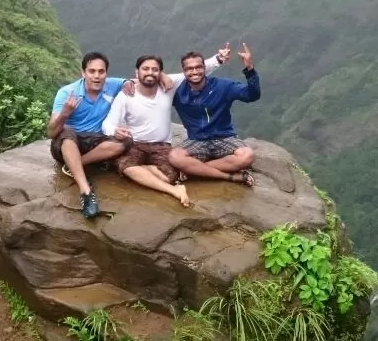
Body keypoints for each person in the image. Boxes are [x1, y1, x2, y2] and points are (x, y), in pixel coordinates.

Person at [102, 44, 231, 208]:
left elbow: (195, 71)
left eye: (154, 70)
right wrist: (115, 130)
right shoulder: (126, 94)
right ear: (137, 72)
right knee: (126, 166)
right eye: (145, 69)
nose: (150, 73)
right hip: (134, 144)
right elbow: (108, 123)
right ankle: (174, 191)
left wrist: (218, 59)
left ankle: (147, 172)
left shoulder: (168, 86)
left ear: (161, 73)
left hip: (162, 145)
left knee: (170, 174)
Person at [47, 51, 151, 218]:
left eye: (101, 72)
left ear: (106, 73)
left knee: (124, 141)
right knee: (67, 134)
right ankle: (86, 192)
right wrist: (65, 113)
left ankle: (73, 165)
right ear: (83, 73)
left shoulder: (112, 85)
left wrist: (128, 82)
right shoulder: (67, 93)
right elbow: (51, 132)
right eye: (91, 71)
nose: (96, 76)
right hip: (68, 142)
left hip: (95, 141)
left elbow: (137, 80)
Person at [169, 43, 261, 186]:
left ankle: (194, 170)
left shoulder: (222, 86)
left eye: (198, 67)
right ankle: (228, 175)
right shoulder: (177, 92)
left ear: (205, 68)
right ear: (184, 71)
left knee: (247, 156)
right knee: (175, 157)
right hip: (197, 141)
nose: (194, 72)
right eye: (189, 69)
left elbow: (252, 95)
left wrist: (250, 69)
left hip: (224, 138)